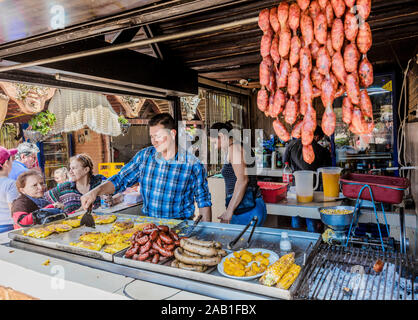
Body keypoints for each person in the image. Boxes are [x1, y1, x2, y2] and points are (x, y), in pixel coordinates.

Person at [80, 113, 212, 221]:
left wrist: (208, 234)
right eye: (152, 136)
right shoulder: (144, 156)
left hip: (180, 227)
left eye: (158, 136)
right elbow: (120, 179)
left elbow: (204, 202)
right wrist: (94, 192)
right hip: (150, 226)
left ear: (172, 134)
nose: (154, 141)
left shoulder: (192, 164)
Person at [209, 121, 267, 226]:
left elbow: (242, 181)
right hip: (246, 207)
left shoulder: (234, 149)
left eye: (213, 142)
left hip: (248, 209)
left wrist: (229, 211)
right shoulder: (236, 147)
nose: (212, 146)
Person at [283, 126, 332, 233]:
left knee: (295, 216)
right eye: (319, 138)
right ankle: (312, 242)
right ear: (316, 136)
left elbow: (285, 163)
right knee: (311, 218)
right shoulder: (322, 151)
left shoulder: (291, 145)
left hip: (295, 188)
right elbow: (326, 173)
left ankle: (296, 240)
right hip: (313, 189)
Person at [0, 147, 19, 233]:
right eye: (12, 160)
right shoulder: (10, 184)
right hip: (8, 227)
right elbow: (14, 210)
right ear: (6, 163)